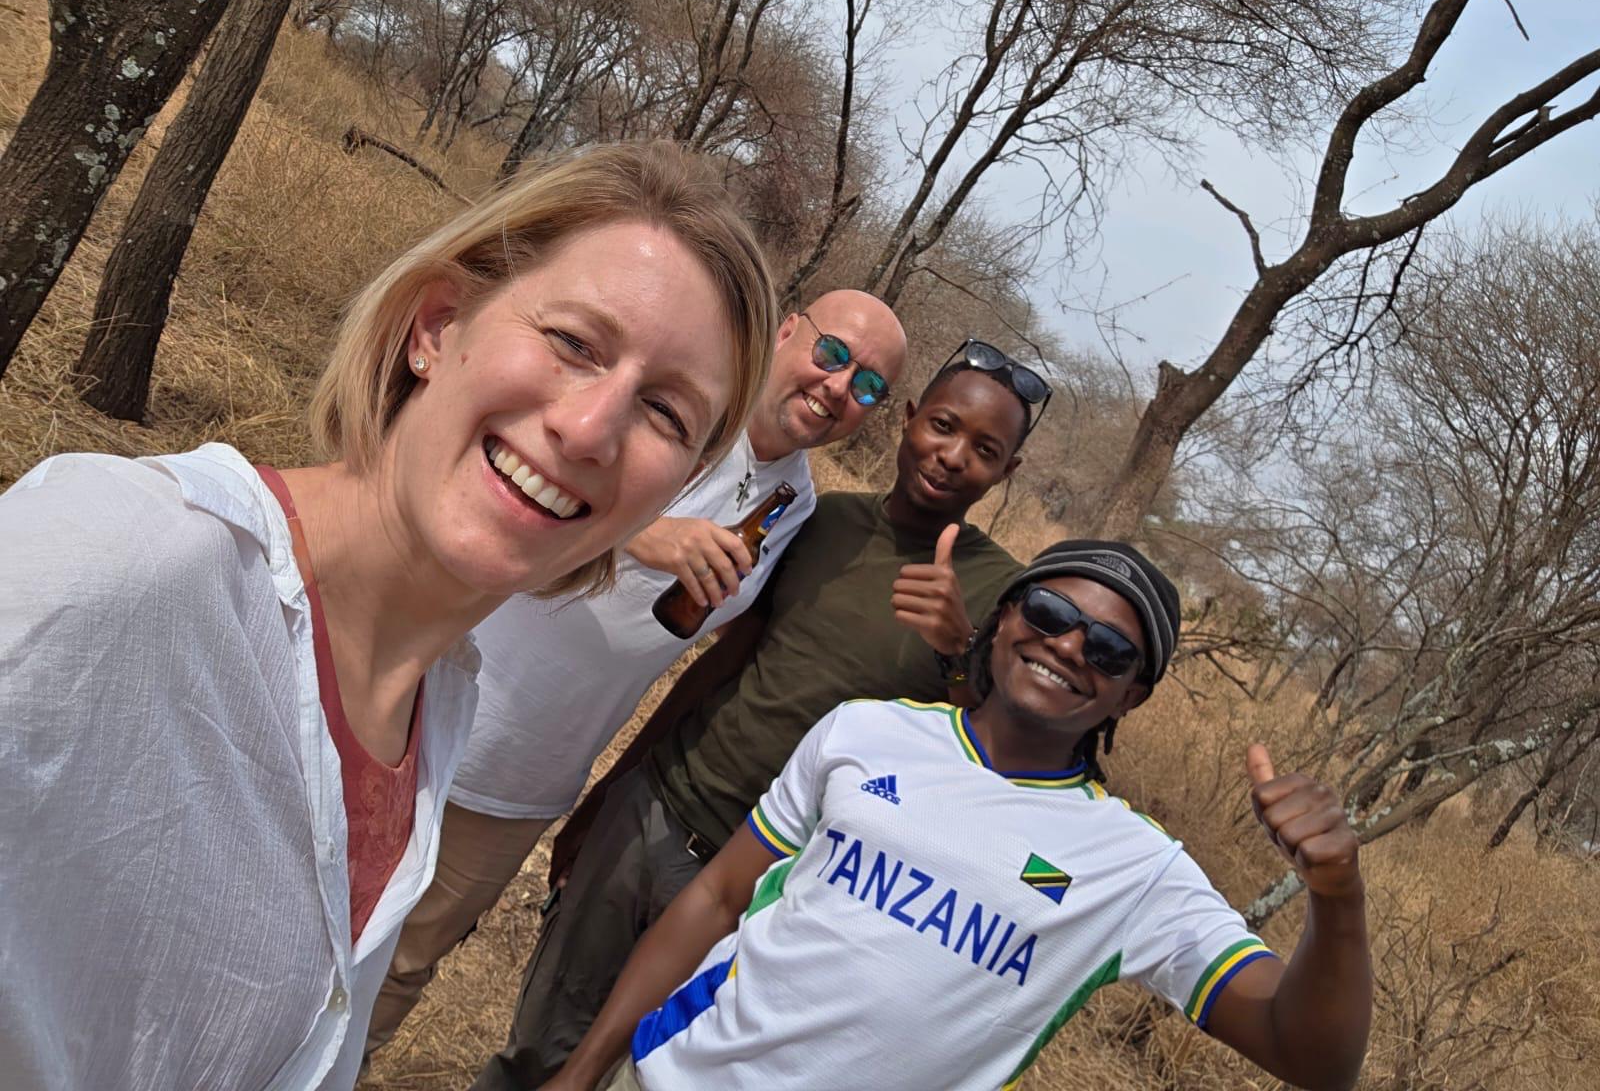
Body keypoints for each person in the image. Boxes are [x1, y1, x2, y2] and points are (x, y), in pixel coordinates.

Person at [0, 141, 778, 1091]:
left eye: (665, 412)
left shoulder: (436, 703)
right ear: (438, 325)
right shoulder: (116, 559)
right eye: (575, 343)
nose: (589, 429)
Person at [546, 540, 1374, 1091]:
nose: (1068, 646)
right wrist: (585, 1069)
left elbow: (1311, 1055)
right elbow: (720, 898)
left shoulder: (1136, 867)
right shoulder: (865, 731)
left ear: (1134, 693)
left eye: (1110, 650)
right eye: (1050, 614)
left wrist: (1337, 899)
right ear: (1004, 617)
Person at [473, 340, 1052, 1090]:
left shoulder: (1001, 595)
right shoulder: (821, 521)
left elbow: (991, 760)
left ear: (1007, 473)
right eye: (942, 425)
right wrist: (613, 793)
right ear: (908, 419)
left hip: (773, 888)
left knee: (650, 1075)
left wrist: (956, 650)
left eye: (985, 449)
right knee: (537, 1052)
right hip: (658, 811)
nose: (951, 456)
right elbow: (720, 668)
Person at [363, 288, 908, 1054]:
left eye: (870, 386)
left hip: (523, 778)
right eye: (832, 353)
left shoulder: (795, 506)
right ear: (788, 330)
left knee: (399, 970)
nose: (838, 388)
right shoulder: (674, 406)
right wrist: (642, 532)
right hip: (416, 699)